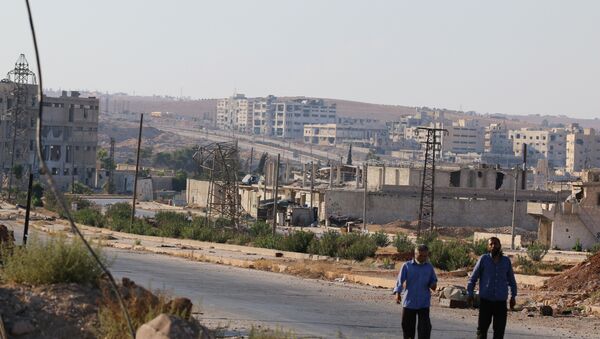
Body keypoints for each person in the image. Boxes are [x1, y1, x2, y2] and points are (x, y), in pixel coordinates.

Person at [467, 237, 517, 339]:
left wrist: (513, 296)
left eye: (496, 243)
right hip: (486, 302)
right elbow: (473, 278)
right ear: (488, 247)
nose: (493, 246)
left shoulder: (506, 261)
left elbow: (512, 281)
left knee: (499, 332)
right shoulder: (483, 259)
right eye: (491, 244)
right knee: (482, 331)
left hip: (501, 303)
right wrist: (469, 293)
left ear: (500, 246)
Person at [393, 244, 438, 339]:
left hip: (424, 303)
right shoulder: (407, 266)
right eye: (420, 255)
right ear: (415, 254)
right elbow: (400, 281)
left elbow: (433, 281)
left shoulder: (429, 267)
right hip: (409, 302)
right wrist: (398, 294)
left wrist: (433, 285)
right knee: (408, 329)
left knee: (424, 330)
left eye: (425, 256)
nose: (423, 258)